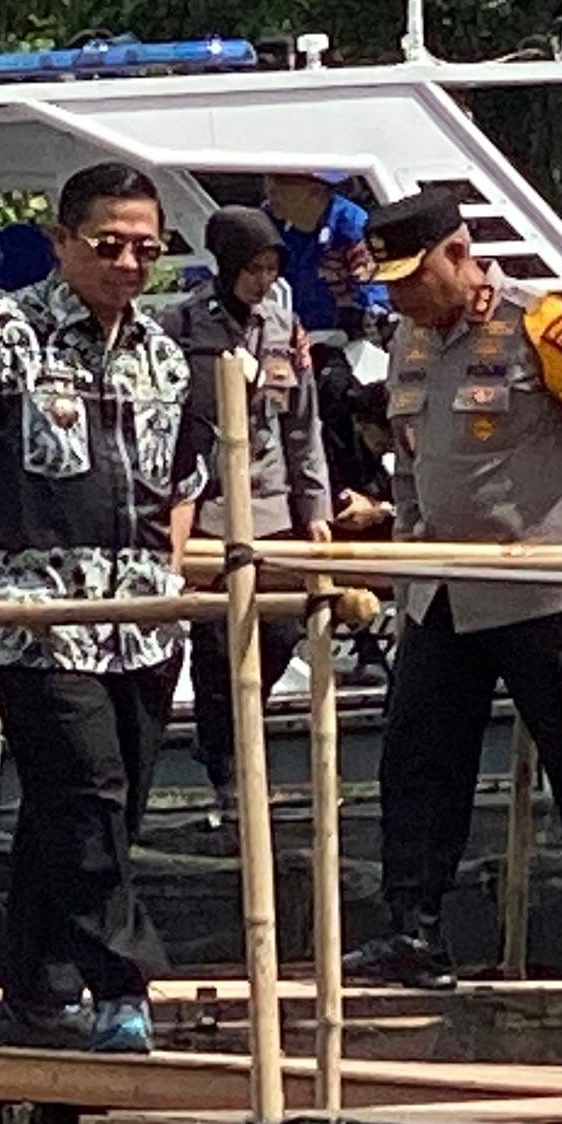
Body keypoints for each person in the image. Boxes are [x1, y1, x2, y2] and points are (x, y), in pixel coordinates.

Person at [0, 163, 206, 1054]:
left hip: (141, 619)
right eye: (109, 245)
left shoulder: (164, 351)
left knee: (98, 805)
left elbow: (184, 476)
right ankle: (122, 983)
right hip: (31, 616)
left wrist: (170, 569)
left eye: (147, 248)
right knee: (87, 790)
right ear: (63, 240)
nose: (128, 264)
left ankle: (32, 990)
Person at [348, 190, 562, 990]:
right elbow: (410, 457)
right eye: (388, 284)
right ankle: (415, 930)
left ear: (457, 256)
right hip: (441, 589)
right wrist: (406, 559)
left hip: (540, 585)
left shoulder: (542, 322)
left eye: (411, 278)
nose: (400, 297)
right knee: (418, 759)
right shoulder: (408, 341)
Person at [167, 207, 334, 817]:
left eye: (271, 269)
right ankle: (226, 767)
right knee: (218, 643)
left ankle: (246, 740)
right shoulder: (181, 326)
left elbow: (301, 423)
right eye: (253, 269)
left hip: (270, 504)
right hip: (209, 505)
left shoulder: (283, 325)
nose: (262, 282)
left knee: (283, 627)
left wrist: (313, 503)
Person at [262, 171, 385, 334]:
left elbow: (375, 300)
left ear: (315, 191)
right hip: (281, 333)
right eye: (269, 178)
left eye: (282, 182)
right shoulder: (269, 222)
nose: (270, 189)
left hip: (340, 339)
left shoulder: (351, 226)